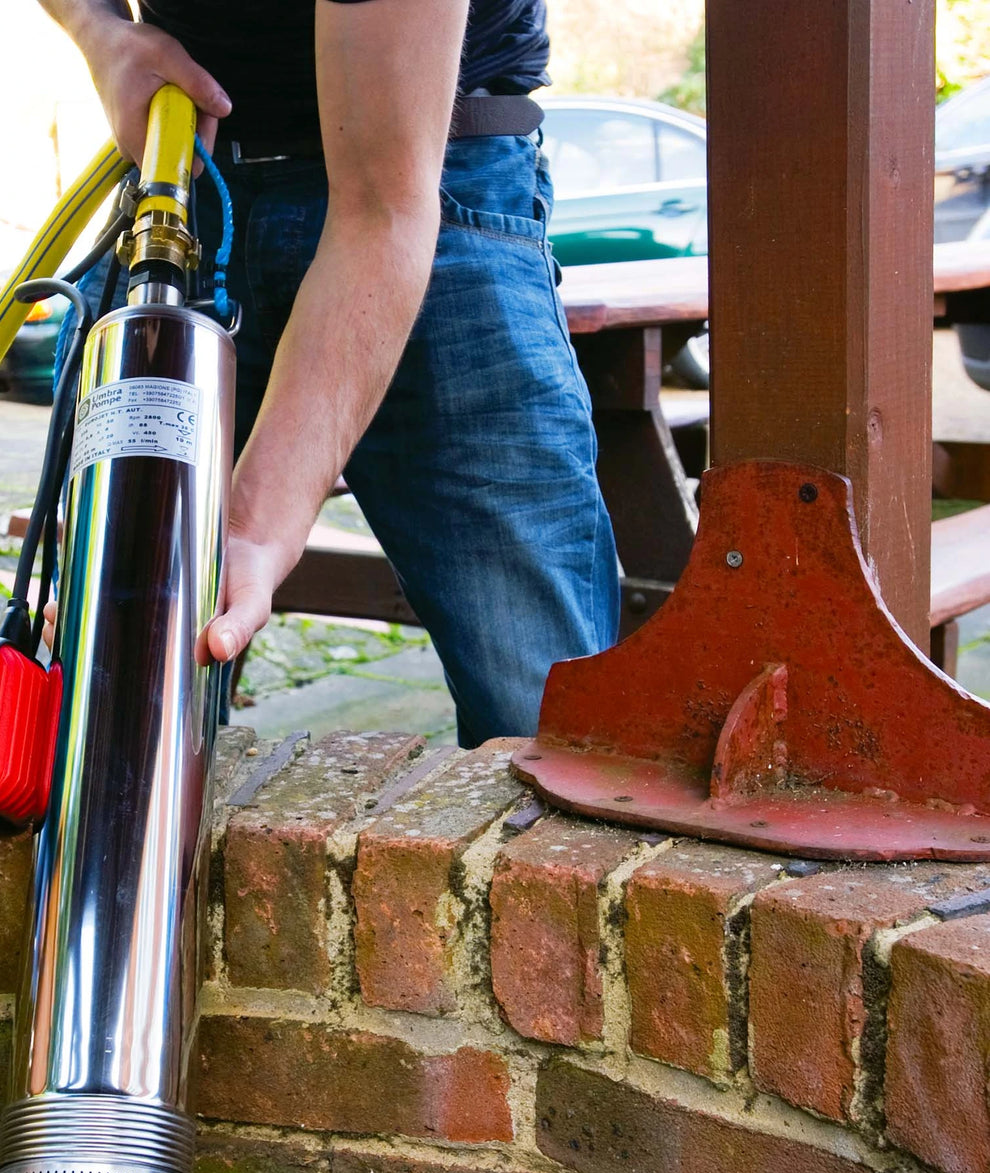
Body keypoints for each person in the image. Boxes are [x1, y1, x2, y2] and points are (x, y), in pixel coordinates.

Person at [39, 0, 619, 748]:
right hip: (190, 169)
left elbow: (381, 208)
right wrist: (99, 32)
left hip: (434, 169)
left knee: (547, 728)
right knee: (99, 695)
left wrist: (249, 528)